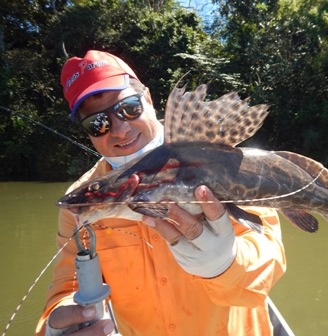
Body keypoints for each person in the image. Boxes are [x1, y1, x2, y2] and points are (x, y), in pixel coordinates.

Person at [35, 50, 286, 336]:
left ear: (149, 100)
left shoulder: (214, 154)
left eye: (128, 108)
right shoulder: (81, 202)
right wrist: (58, 325)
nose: (119, 130)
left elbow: (269, 262)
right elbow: (68, 287)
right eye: (97, 123)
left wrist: (227, 262)